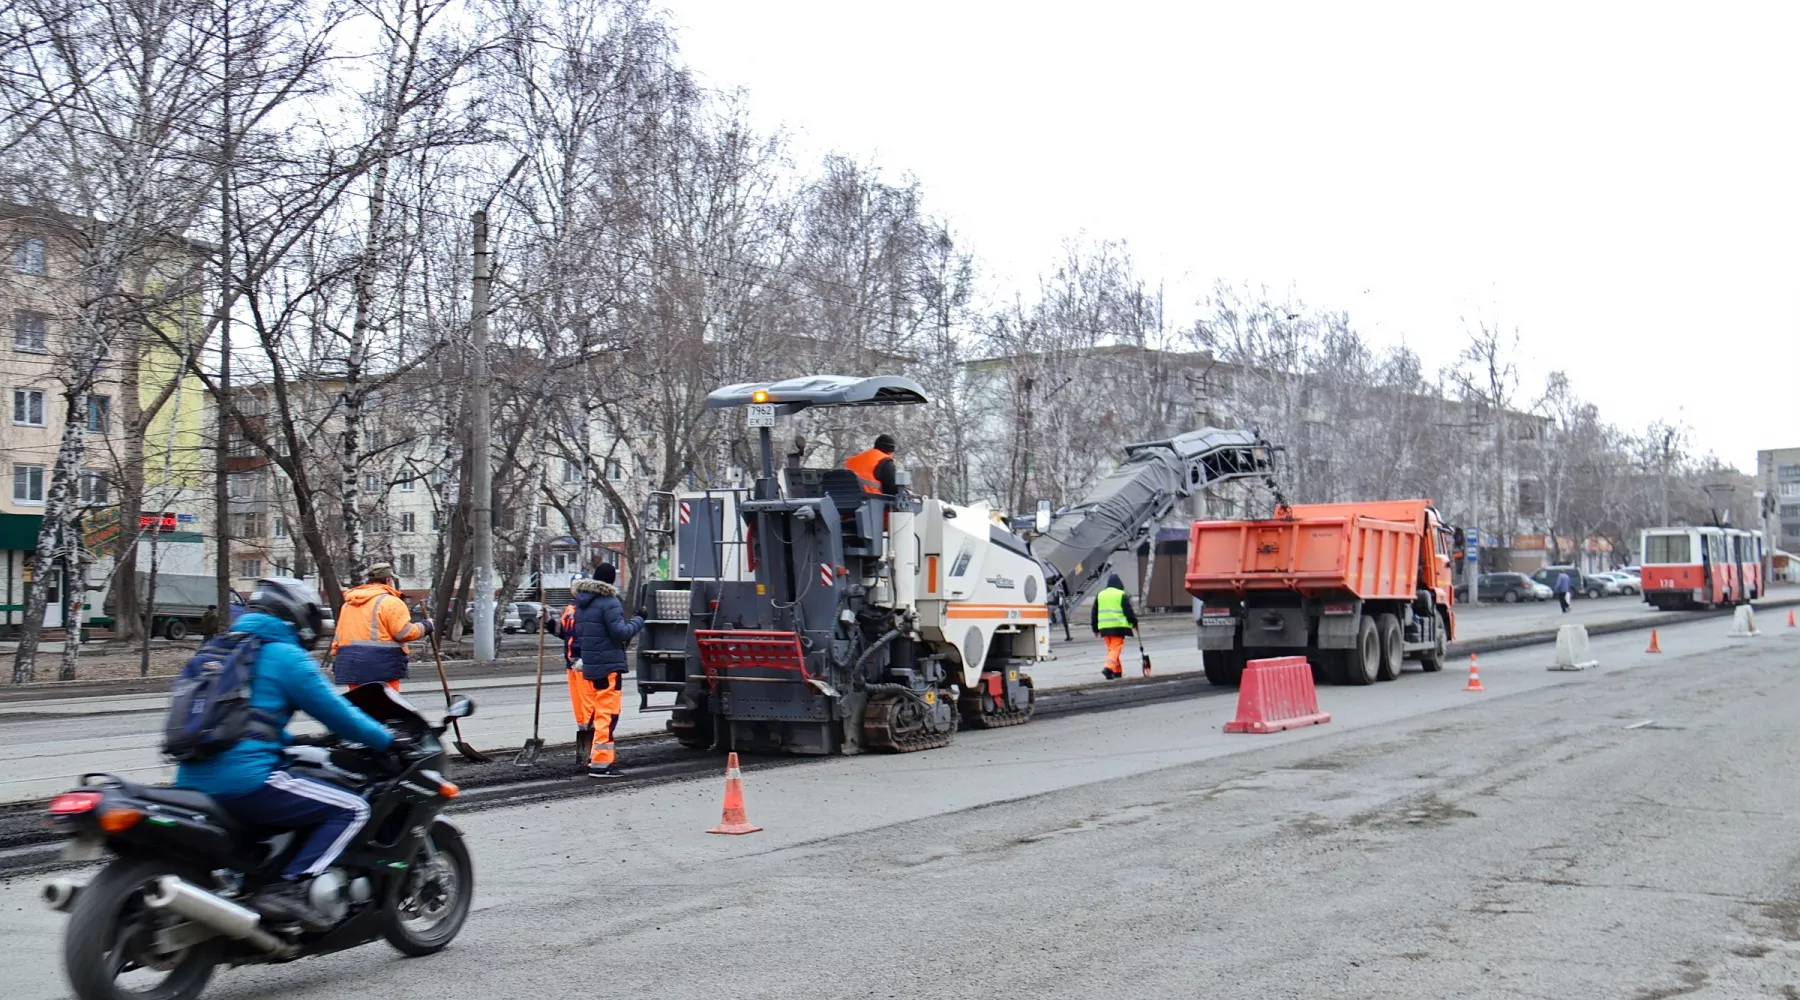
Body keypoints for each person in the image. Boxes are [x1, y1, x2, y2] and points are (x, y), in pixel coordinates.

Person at [174, 577, 396, 930]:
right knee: (353, 809)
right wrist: (386, 741)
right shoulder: (285, 655)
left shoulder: (216, 651)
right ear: (297, 616)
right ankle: (292, 887)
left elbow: (235, 720)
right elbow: (339, 715)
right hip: (247, 781)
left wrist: (285, 740)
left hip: (189, 782)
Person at [570, 563, 643, 778]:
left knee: (597, 713)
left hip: (592, 665)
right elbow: (620, 632)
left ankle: (596, 758)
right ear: (611, 580)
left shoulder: (582, 604)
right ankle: (601, 764)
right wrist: (640, 619)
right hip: (609, 665)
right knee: (607, 715)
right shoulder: (609, 602)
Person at [330, 564, 431, 690]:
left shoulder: (349, 604)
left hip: (351, 664)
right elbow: (403, 633)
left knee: (360, 706)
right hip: (383, 666)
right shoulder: (391, 602)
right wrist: (426, 626)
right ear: (388, 580)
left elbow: (339, 635)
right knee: (386, 706)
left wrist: (335, 658)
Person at [549, 586, 594, 762]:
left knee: (588, 704)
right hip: (571, 663)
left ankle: (594, 743)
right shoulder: (569, 609)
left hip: (583, 664)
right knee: (579, 708)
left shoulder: (589, 609)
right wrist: (548, 622)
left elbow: (592, 635)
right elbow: (564, 633)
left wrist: (585, 656)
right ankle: (585, 741)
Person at [1092, 572, 1139, 680]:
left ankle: (1117, 671)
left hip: (1104, 628)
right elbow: (1128, 611)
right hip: (1117, 627)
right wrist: (1134, 623)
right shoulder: (1121, 594)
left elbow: (1094, 613)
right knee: (1115, 649)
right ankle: (1108, 668)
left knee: (1111, 649)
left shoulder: (1100, 595)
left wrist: (1095, 628)